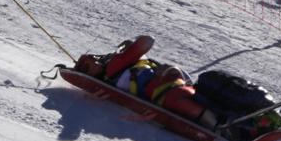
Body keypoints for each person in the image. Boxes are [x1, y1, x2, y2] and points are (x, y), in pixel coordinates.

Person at [75, 36, 218, 129]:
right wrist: (131, 49)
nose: (94, 62)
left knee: (196, 101)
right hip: (166, 92)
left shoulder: (116, 67)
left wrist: (130, 50)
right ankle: (219, 125)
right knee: (189, 101)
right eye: (87, 65)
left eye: (92, 60)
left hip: (169, 87)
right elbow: (147, 40)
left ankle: (221, 122)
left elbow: (147, 42)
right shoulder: (113, 68)